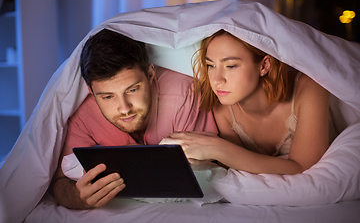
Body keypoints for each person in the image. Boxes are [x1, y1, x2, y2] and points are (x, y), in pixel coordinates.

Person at [51, 29, 217, 209]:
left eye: (132, 90)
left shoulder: (184, 95)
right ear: (91, 91)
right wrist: (78, 197)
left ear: (150, 75)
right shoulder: (83, 113)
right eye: (108, 97)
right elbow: (60, 182)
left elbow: (209, 171)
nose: (124, 108)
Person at [161, 29, 337, 175]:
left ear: (264, 66)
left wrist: (215, 148)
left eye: (230, 66)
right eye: (211, 65)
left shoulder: (309, 87)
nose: (216, 80)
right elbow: (241, 169)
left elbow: (303, 168)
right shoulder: (222, 106)